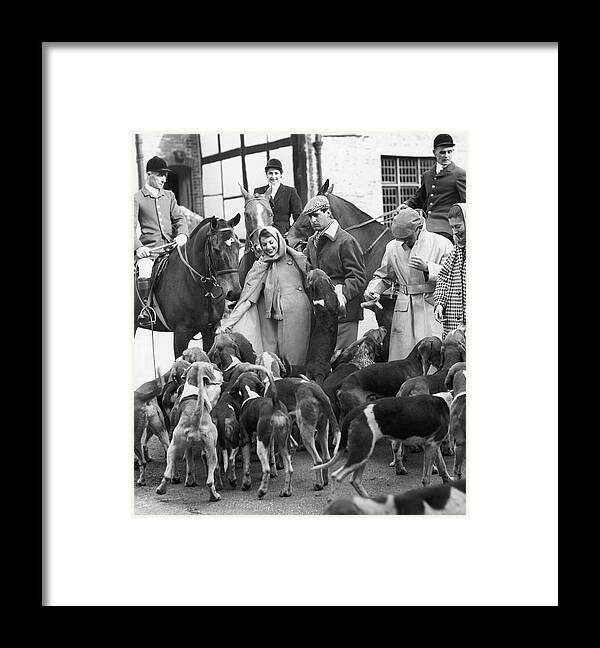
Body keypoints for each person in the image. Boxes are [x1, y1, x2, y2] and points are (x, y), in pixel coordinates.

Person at [363, 208, 453, 361]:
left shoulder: (441, 244)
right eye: (400, 238)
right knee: (403, 357)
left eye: (407, 237)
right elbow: (383, 276)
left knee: (433, 355)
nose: (404, 242)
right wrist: (373, 290)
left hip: (430, 304)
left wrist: (428, 268)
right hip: (404, 308)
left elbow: (452, 276)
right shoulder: (392, 247)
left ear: (419, 229)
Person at [218, 225, 312, 367]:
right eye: (264, 244)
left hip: (300, 317)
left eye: (271, 242)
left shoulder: (296, 257)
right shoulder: (261, 266)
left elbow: (312, 279)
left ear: (278, 240)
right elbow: (248, 299)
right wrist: (229, 323)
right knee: (280, 362)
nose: (268, 247)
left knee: (300, 361)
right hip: (276, 322)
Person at [303, 195, 367, 351]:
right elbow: (306, 268)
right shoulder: (312, 242)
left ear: (328, 213)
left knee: (342, 359)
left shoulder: (346, 241)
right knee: (325, 359)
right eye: (310, 217)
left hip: (345, 312)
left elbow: (358, 277)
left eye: (316, 215)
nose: (313, 220)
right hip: (322, 311)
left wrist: (339, 295)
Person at [134, 156, 189, 325]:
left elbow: (179, 219)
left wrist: (182, 234)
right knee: (144, 267)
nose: (164, 179)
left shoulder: (169, 196)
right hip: (150, 251)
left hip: (171, 247)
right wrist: (138, 248)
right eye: (159, 175)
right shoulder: (137, 197)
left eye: (165, 175)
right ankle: (146, 309)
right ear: (149, 174)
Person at [399, 133, 466, 241]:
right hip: (427, 225)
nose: (446, 155)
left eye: (449, 152)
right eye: (442, 152)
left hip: (447, 228)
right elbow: (420, 198)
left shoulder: (459, 174)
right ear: (434, 153)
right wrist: (406, 205)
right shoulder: (427, 175)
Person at [434, 203, 467, 339]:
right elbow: (443, 277)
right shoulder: (456, 249)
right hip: (453, 325)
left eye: (458, 226)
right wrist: (439, 303)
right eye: (452, 227)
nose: (454, 231)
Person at [253, 158, 303, 236]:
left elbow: (299, 218)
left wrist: (290, 232)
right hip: (263, 235)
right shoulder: (258, 192)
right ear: (266, 175)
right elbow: (254, 215)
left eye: (276, 173)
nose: (273, 177)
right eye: (270, 173)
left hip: (283, 235)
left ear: (281, 175)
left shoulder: (290, 192)